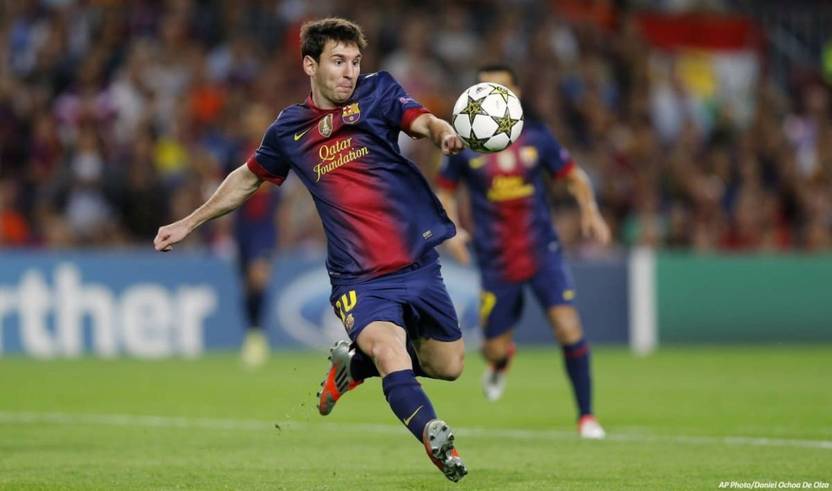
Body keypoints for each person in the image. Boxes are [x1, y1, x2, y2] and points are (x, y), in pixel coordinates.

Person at [154, 18, 468, 482]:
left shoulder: (379, 92)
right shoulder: (289, 130)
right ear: (310, 65)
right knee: (390, 351)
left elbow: (421, 120)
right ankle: (436, 437)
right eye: (338, 61)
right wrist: (189, 222)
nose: (349, 72)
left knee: (450, 365)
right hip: (359, 278)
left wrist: (442, 134)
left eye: (355, 62)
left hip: (417, 262)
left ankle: (353, 366)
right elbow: (248, 179)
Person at [436, 64, 610, 439]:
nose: (492, 96)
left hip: (542, 250)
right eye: (484, 88)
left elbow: (573, 175)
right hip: (496, 260)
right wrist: (453, 230)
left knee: (567, 326)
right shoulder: (463, 144)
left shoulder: (537, 138)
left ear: (516, 93)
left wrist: (590, 209)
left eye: (500, 88)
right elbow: (445, 191)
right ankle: (502, 361)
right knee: (493, 349)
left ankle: (586, 417)